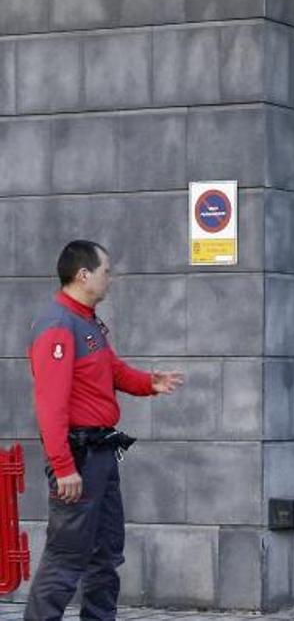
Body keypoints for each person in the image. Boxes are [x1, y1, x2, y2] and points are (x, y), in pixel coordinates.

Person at [24, 241, 184, 621]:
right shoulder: (58, 326)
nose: (110, 277)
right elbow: (50, 405)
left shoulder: (87, 320)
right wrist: (63, 466)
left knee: (106, 555)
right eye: (105, 270)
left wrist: (149, 382)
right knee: (65, 558)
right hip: (77, 458)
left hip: (100, 454)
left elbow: (110, 370)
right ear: (84, 275)